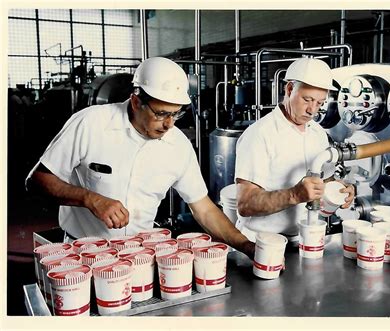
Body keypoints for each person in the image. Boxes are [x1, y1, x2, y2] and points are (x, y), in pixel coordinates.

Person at [26, 56, 254, 258]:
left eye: (176, 114)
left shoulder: (178, 146)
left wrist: (245, 245)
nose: (169, 124)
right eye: (161, 113)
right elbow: (37, 181)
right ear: (136, 102)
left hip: (140, 256)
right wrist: (90, 199)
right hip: (84, 253)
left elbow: (204, 208)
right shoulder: (90, 124)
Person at [234, 58, 355, 242]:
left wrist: (339, 189)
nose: (312, 110)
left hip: (303, 238)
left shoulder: (318, 133)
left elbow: (324, 180)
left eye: (320, 103)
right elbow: (246, 203)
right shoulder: (260, 134)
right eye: (307, 100)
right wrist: (294, 195)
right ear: (289, 89)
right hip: (260, 242)